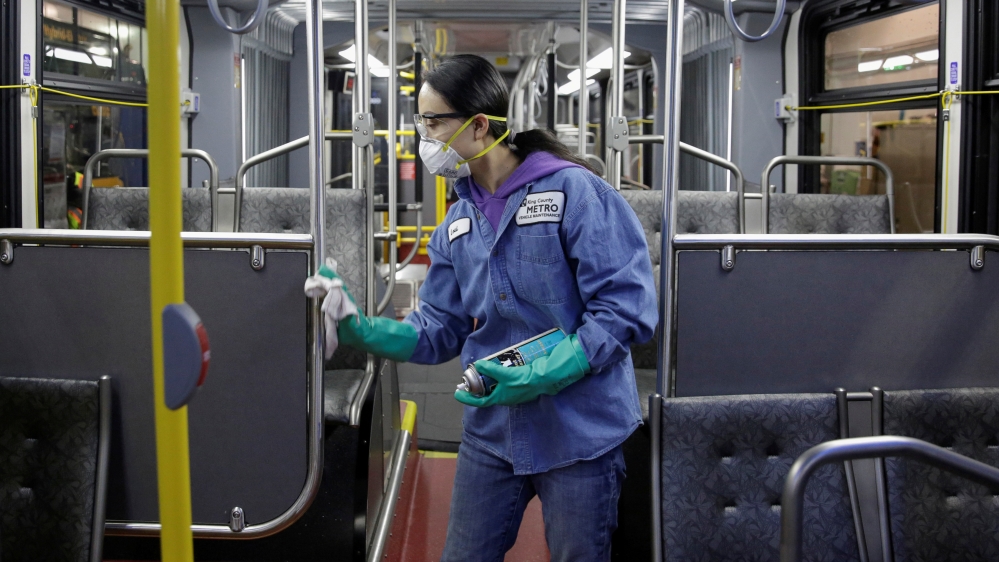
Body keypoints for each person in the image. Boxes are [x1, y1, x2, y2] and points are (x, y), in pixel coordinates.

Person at [318, 54, 657, 561]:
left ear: (479, 126)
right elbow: (437, 329)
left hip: (582, 432)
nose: (423, 138)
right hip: (493, 431)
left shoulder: (575, 192)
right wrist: (358, 328)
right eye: (421, 123)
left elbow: (626, 309)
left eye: (433, 123)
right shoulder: (456, 223)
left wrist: (546, 372)